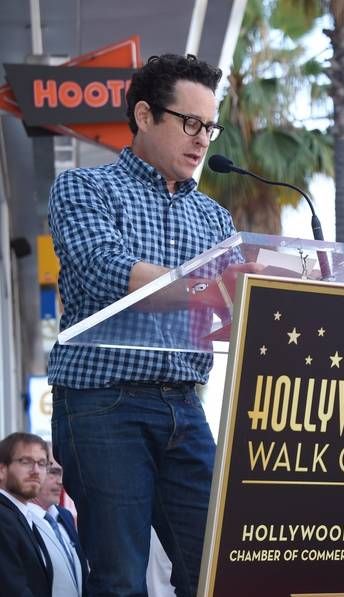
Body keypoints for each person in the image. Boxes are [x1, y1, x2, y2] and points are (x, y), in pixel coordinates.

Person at [47, 53, 241, 597]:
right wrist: (212, 288)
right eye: (190, 122)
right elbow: (107, 270)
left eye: (210, 127)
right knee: (120, 579)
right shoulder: (84, 188)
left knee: (217, 571)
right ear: (145, 115)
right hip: (103, 402)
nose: (202, 140)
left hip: (185, 405)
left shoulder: (215, 218)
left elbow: (235, 306)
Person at [0, 432, 53, 597]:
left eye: (42, 463)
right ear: (1, 470)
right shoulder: (3, 517)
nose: (36, 471)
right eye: (26, 461)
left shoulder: (22, 516)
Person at [28, 449, 87, 596]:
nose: (60, 481)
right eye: (53, 472)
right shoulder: (17, 519)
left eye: (62, 473)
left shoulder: (65, 516)